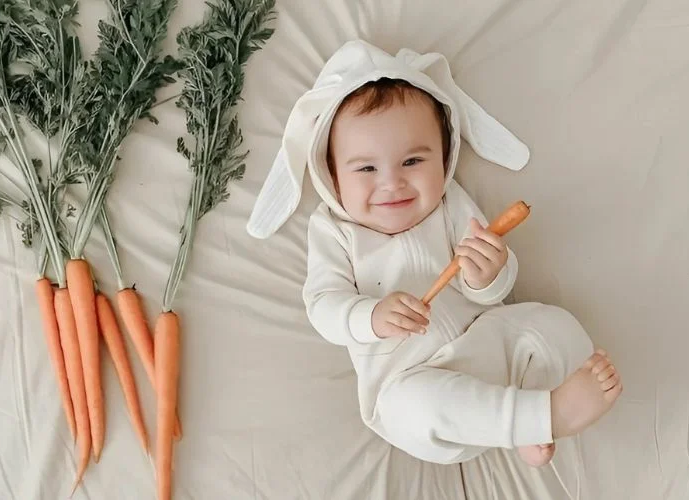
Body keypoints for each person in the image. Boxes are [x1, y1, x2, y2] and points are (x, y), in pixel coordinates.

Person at [246, 40, 622, 467]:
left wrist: (488, 274)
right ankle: (543, 415)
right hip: (412, 381)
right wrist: (369, 317)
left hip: (490, 346)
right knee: (413, 407)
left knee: (556, 325)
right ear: (332, 173)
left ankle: (527, 422)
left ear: (443, 160)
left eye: (412, 162)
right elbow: (322, 304)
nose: (392, 183)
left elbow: (489, 289)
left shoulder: (449, 205)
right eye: (366, 168)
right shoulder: (333, 231)